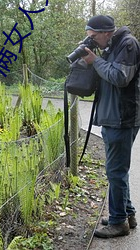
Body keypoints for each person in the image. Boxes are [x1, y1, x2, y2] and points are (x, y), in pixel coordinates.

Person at [82, 15, 140, 238]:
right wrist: (92, 60)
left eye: (94, 37)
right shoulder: (111, 46)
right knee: (117, 171)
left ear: (106, 32)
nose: (93, 41)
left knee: (115, 171)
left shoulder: (128, 44)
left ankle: (118, 223)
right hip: (112, 117)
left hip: (122, 118)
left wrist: (95, 61)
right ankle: (127, 214)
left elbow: (119, 77)